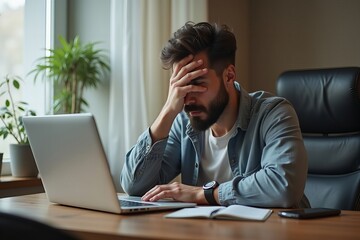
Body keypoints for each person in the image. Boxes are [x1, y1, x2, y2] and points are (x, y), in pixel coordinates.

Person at [120, 21, 309, 208]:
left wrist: (205, 194)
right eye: (181, 85)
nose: (188, 97)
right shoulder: (182, 123)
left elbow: (284, 186)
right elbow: (135, 186)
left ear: (229, 75)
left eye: (197, 83)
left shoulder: (274, 114)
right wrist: (168, 110)